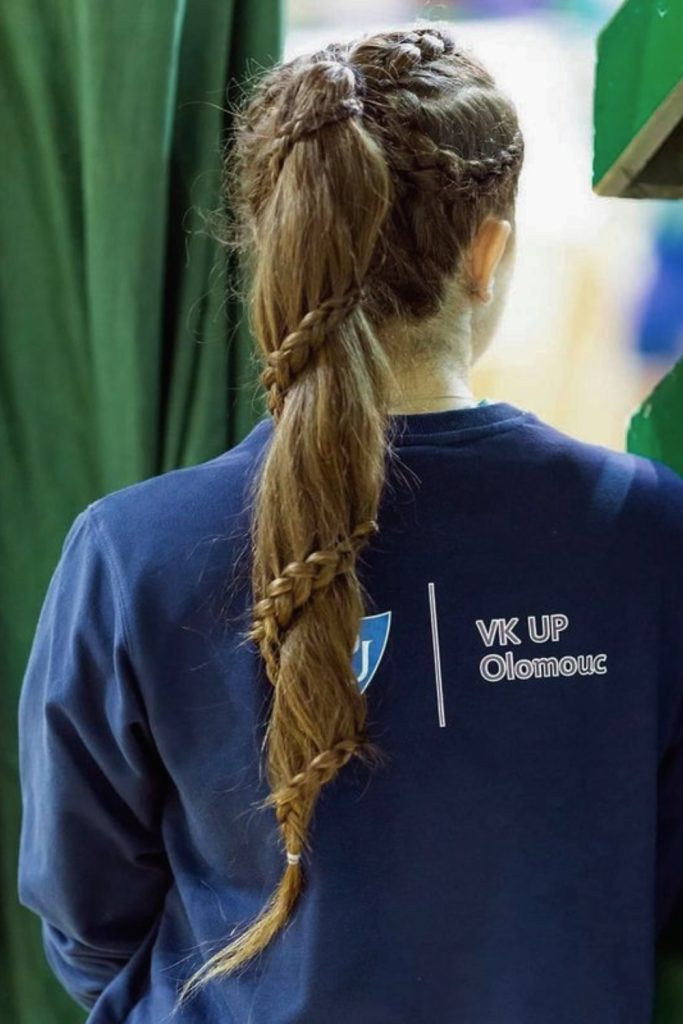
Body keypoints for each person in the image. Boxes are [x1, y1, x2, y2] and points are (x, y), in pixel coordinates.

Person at [16, 21, 683, 1024]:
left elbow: (89, 921)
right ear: (486, 252)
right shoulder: (644, 531)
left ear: (276, 255)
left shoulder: (129, 553)